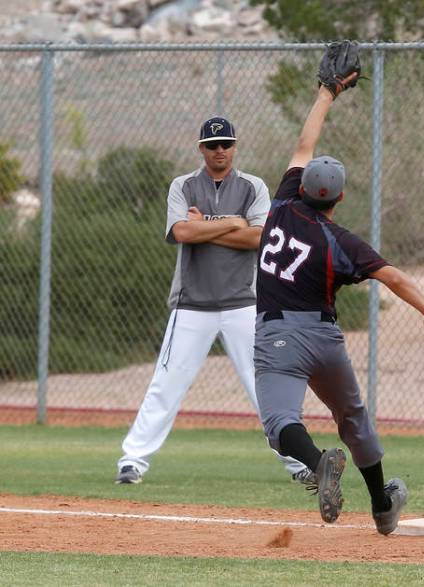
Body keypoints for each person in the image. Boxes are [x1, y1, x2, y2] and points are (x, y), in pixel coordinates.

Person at [253, 43, 424, 534]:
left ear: (301, 187)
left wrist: (327, 92)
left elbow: (304, 143)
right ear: (339, 198)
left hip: (278, 338)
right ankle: (382, 504)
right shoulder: (342, 242)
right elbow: (394, 277)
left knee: (280, 423)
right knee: (355, 417)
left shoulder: (280, 204)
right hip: (325, 341)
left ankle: (318, 462)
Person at [114, 116, 311, 486]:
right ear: (201, 148)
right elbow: (181, 232)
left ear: (235, 147)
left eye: (226, 144)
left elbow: (258, 238)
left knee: (264, 386)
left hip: (243, 303)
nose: (220, 150)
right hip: (192, 304)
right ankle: (132, 460)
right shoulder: (184, 186)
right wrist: (232, 223)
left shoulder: (253, 186)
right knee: (166, 383)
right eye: (213, 144)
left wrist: (208, 227)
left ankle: (298, 462)